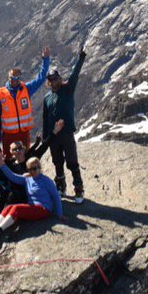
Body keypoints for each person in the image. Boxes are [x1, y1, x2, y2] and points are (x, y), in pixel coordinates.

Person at [0, 153, 64, 245]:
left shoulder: (47, 181)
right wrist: (2, 164)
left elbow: (56, 197)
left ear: (39, 167)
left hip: (44, 209)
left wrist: (59, 214)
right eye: (30, 169)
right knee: (9, 207)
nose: (33, 171)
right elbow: (12, 176)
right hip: (32, 206)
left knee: (17, 209)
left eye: (35, 168)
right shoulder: (27, 179)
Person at [44, 49, 88, 203]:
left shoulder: (68, 89)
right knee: (57, 162)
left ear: (59, 78)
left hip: (67, 132)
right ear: (48, 81)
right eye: (51, 79)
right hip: (54, 135)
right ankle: (61, 187)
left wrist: (81, 58)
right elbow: (45, 118)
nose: (54, 81)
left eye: (55, 78)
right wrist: (46, 137)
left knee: (72, 162)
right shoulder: (47, 97)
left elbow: (75, 75)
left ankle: (79, 190)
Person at [0, 47, 51, 150]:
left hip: (24, 133)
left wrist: (45, 60)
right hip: (8, 135)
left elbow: (41, 78)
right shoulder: (0, 93)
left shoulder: (26, 89)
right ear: (8, 78)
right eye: (12, 78)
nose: (14, 80)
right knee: (9, 160)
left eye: (17, 78)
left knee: (25, 159)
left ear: (20, 78)